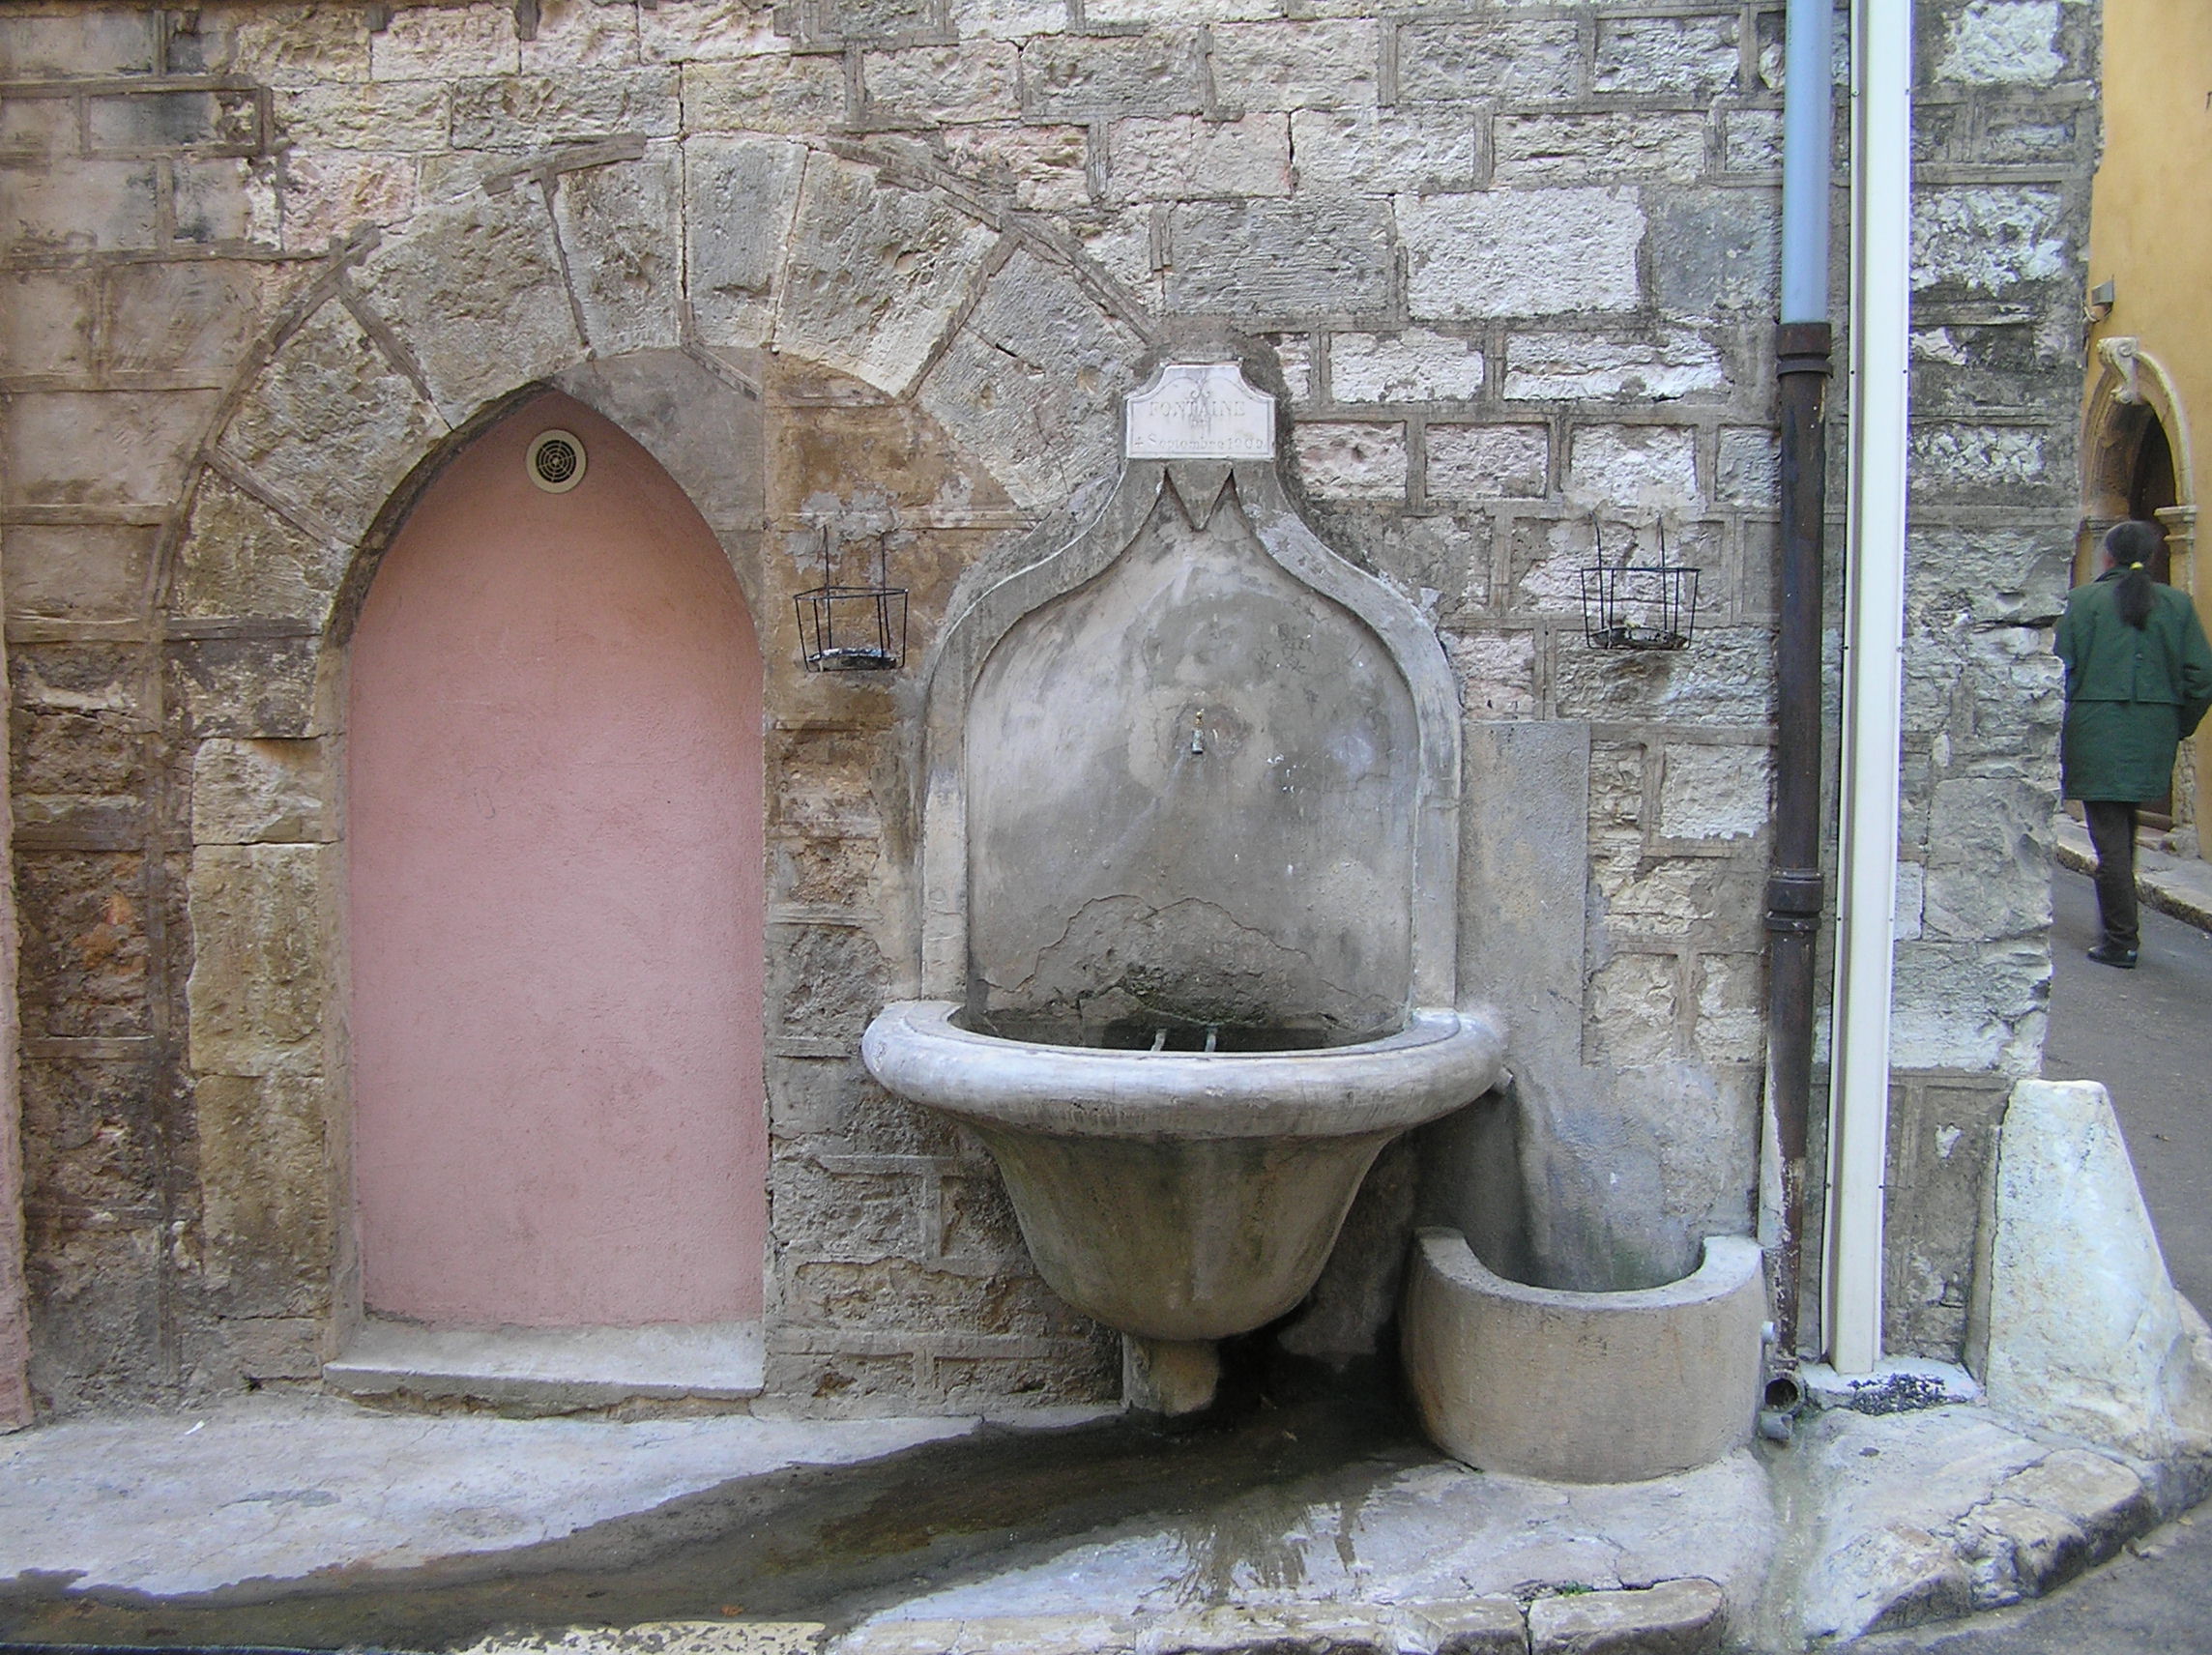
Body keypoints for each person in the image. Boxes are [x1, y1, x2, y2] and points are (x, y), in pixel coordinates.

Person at [2054, 519, 2212, 968]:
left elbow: (2062, 671)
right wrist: (2176, 723)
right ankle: (2121, 932)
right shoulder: (2177, 605)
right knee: (2123, 834)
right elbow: (2201, 677)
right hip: (2154, 729)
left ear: (2107, 556)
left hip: (2096, 728)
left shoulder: (2081, 602)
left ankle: (2121, 939)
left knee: (2110, 839)